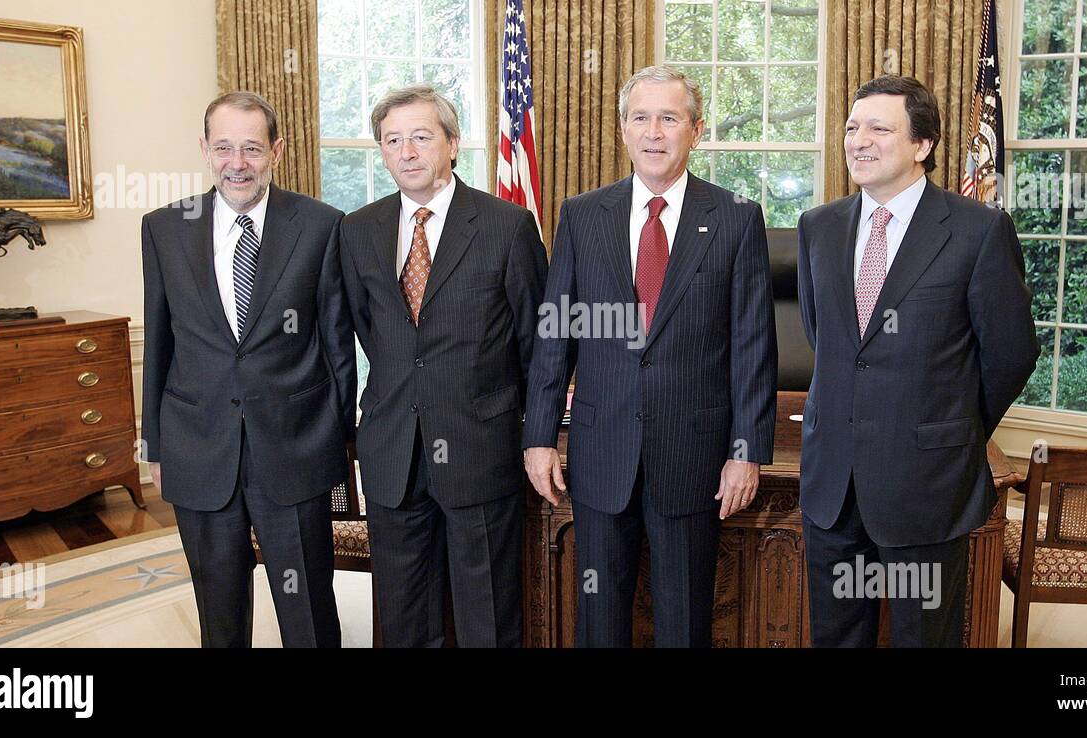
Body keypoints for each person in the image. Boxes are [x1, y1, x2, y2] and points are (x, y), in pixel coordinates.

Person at [523, 65, 777, 648]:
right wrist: (539, 437)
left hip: (693, 457)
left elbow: (753, 346)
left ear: (696, 129)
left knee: (684, 624)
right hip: (600, 452)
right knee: (599, 620)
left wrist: (747, 451)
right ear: (623, 129)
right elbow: (554, 335)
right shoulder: (583, 215)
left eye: (670, 117)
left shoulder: (736, 217)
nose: (654, 132)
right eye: (641, 117)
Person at [796, 75, 1039, 647]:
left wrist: (950, 424)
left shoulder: (978, 231)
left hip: (927, 481)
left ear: (922, 146)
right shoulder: (817, 228)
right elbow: (829, 342)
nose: (859, 140)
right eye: (853, 127)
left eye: (880, 128)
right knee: (836, 637)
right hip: (833, 483)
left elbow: (1010, 354)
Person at [141, 91, 354, 647]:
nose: (238, 163)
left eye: (252, 149)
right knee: (219, 606)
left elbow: (337, 345)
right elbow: (159, 342)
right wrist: (155, 445)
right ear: (205, 150)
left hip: (294, 449)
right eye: (225, 148)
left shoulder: (321, 225)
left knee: (307, 605)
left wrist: (336, 441)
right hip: (198, 447)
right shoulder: (164, 228)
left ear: (276, 152)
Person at [339, 85, 547, 647]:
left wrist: (538, 435)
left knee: (487, 616)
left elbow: (537, 342)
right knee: (405, 616)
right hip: (392, 450)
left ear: (452, 144)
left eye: (421, 137)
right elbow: (369, 330)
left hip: (479, 446)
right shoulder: (357, 231)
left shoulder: (507, 226)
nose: (406, 151)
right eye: (392, 140)